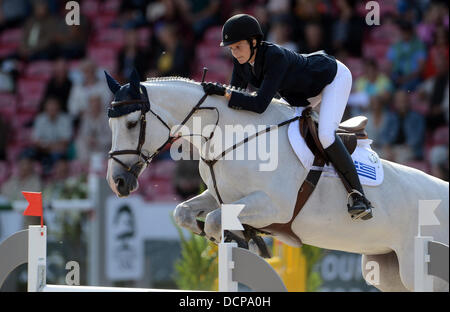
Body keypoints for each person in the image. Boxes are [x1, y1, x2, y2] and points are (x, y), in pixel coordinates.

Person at [201, 14, 373, 220]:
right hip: (299, 96)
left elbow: (257, 104)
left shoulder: (274, 56)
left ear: (254, 42)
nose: (234, 52)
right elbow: (236, 97)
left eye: (238, 46)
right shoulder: (241, 62)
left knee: (326, 135)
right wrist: (216, 95)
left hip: (330, 79)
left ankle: (358, 196)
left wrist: (225, 93)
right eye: (231, 48)